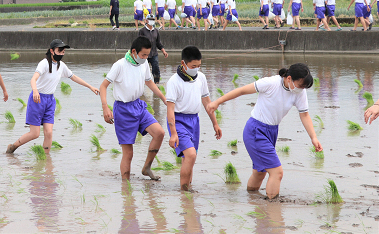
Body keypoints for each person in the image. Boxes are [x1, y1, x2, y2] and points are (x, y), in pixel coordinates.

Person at [207, 63, 322, 199]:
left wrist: (313, 137)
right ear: (289, 78)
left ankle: (253, 200)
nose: (301, 89)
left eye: (304, 87)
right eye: (300, 85)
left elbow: (304, 115)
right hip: (256, 130)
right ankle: (272, 209)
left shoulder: (299, 92)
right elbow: (241, 91)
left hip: (272, 131)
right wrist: (217, 102)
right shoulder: (270, 83)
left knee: (259, 172)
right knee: (277, 172)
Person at [6, 39, 99, 155]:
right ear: (51, 51)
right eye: (59, 51)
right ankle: (13, 147)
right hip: (37, 99)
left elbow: (74, 77)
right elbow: (33, 79)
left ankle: (46, 159)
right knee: (34, 134)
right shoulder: (44, 63)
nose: (61, 54)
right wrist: (35, 91)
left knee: (49, 133)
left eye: (63, 51)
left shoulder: (62, 66)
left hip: (50, 101)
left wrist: (90, 86)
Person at [99, 36, 167, 180]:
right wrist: (105, 108)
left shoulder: (143, 64)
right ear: (134, 52)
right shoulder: (120, 65)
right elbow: (103, 86)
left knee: (159, 133)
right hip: (123, 110)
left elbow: (149, 82)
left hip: (138, 106)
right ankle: (126, 188)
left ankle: (147, 167)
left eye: (147, 55)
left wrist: (163, 97)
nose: (145, 58)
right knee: (128, 153)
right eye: (143, 55)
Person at [166, 46, 221, 190]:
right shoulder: (173, 82)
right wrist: (173, 134)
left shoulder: (201, 78)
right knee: (190, 155)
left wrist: (215, 124)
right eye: (193, 66)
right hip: (178, 120)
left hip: (194, 121)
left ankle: (187, 191)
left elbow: (207, 103)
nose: (196, 69)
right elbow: (170, 110)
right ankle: (184, 191)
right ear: (183, 63)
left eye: (199, 66)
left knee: (189, 158)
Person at [138, 14, 169, 84]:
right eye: (150, 20)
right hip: (144, 55)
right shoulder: (142, 31)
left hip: (154, 53)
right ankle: (140, 84)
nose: (152, 21)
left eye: (153, 20)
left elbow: (158, 43)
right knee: (142, 70)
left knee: (156, 68)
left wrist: (163, 51)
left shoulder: (156, 31)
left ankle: (156, 83)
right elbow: (139, 43)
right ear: (146, 21)